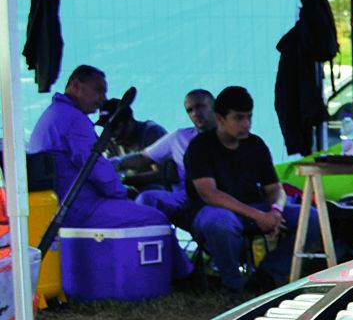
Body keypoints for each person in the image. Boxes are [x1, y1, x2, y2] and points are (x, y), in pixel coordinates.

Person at [185, 86, 310, 291]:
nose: (246, 124)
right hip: (212, 211)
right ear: (220, 118)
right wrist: (259, 216)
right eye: (239, 118)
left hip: (254, 208)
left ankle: (266, 276)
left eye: (249, 117)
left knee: (310, 218)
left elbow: (274, 188)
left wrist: (275, 211)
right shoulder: (200, 146)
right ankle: (232, 285)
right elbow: (209, 194)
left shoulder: (256, 145)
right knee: (220, 222)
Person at [27, 65, 176, 230]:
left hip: (62, 205)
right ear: (76, 85)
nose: (103, 99)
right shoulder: (74, 120)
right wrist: (121, 193)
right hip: (79, 208)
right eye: (98, 90)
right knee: (156, 219)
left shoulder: (55, 113)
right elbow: (97, 171)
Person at [129, 88, 215, 227]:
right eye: (190, 110)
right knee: (146, 199)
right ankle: (154, 246)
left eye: (200, 106)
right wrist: (115, 164)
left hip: (220, 196)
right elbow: (143, 158)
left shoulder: (231, 138)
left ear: (214, 106)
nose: (195, 113)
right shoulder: (179, 137)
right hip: (184, 198)